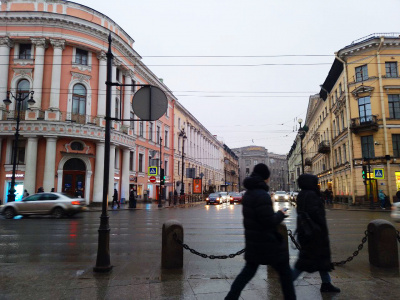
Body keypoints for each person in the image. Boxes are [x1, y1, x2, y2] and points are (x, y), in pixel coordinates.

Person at [225, 163, 296, 300]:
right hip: (267, 242)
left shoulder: (249, 193)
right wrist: (280, 214)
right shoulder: (262, 195)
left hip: (254, 241)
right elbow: (268, 221)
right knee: (285, 274)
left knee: (247, 273)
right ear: (265, 177)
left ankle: (230, 298)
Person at [293, 174, 340, 293]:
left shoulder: (302, 194)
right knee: (304, 263)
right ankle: (287, 281)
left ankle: (326, 283)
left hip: (306, 232)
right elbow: (317, 215)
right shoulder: (312, 195)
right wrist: (322, 229)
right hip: (314, 233)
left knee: (321, 260)